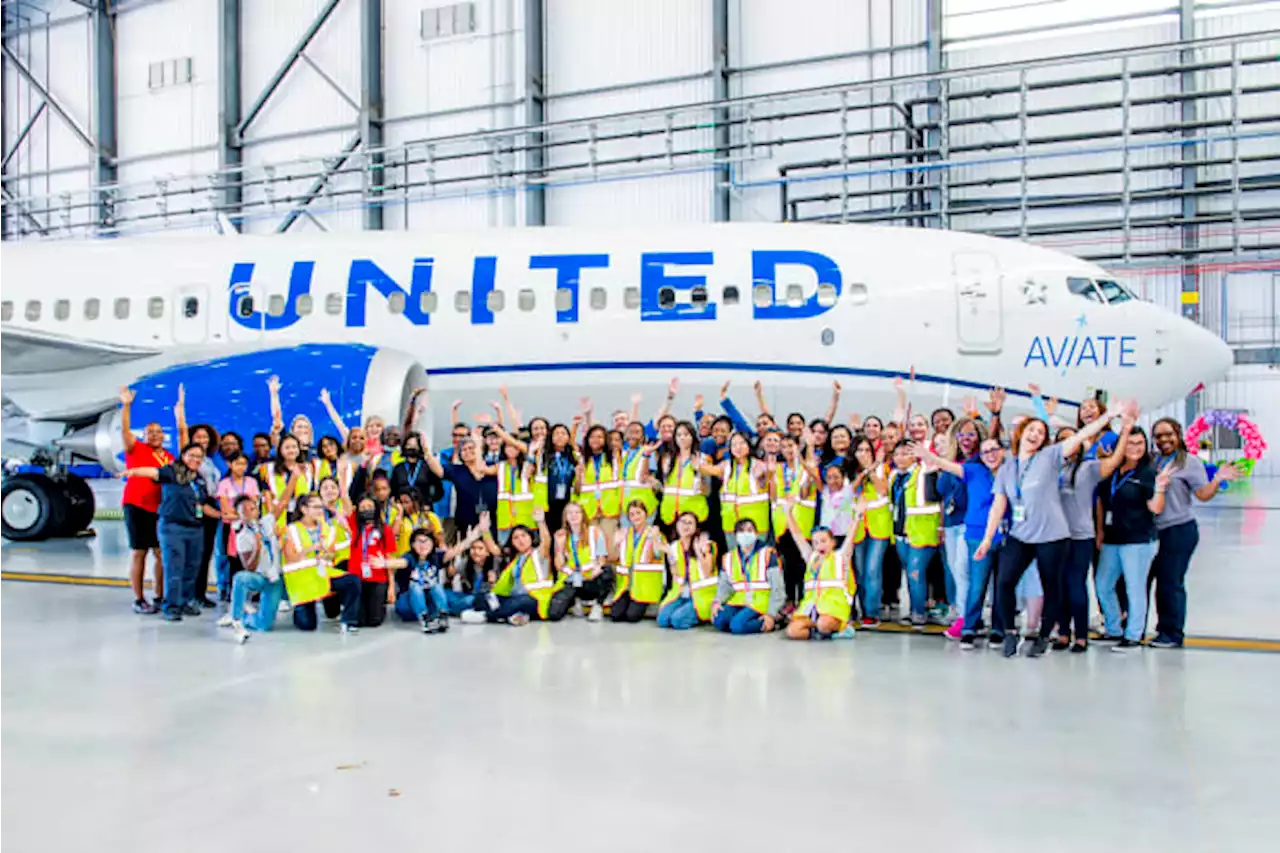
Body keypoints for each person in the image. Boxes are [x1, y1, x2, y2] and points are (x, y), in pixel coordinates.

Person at [974, 410, 1115, 657]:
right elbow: (999, 505)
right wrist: (987, 539)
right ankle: (1009, 633)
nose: (1035, 435)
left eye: (1041, 432)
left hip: (1053, 536)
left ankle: (1043, 636)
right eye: (1031, 430)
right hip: (1021, 535)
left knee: (1052, 585)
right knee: (1005, 583)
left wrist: (1110, 415)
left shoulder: (1050, 457)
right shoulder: (1007, 468)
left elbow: (1081, 435)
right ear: (1021, 434)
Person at [1147, 417, 1240, 648]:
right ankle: (1161, 629)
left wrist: (1217, 479)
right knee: (1158, 581)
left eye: (1168, 434)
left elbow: (1202, 495)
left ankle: (1172, 633)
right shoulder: (1154, 461)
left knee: (1171, 582)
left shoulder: (1189, 462)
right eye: (1158, 436)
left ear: (1178, 434)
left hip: (1179, 529)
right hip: (1157, 531)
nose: (1164, 439)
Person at [1053, 401, 1136, 651]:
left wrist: (1126, 431)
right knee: (1059, 585)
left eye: (1073, 439)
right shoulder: (1051, 467)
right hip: (1054, 535)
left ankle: (1080, 635)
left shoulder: (1089, 468)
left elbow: (1114, 461)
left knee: (1076, 584)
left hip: (1079, 535)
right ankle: (1063, 632)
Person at [121, 442, 219, 622]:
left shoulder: (198, 480)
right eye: (192, 455)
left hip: (195, 528)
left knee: (192, 567)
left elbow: (203, 505)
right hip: (173, 527)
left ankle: (185, 602)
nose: (195, 460)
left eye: (199, 457)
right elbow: (153, 472)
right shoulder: (172, 472)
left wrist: (222, 515)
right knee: (175, 567)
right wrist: (133, 472)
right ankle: (171, 606)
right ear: (183, 456)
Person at [1096, 426, 1171, 652]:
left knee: (1135, 587)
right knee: (1103, 585)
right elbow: (1100, 502)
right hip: (1112, 538)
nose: (1135, 449)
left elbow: (1156, 508)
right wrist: (1100, 531)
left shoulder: (1148, 473)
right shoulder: (1111, 470)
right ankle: (1113, 628)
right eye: (1130, 443)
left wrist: (1159, 489)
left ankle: (1134, 635)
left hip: (1138, 540)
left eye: (1140, 444)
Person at [118, 386, 170, 614]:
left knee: (160, 553)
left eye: (159, 432)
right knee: (139, 552)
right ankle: (139, 598)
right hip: (137, 505)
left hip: (158, 508)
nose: (155, 435)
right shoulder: (136, 449)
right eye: (150, 432)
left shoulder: (168, 456)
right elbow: (125, 431)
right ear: (144, 436)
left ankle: (159, 595)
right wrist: (126, 405)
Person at [284, 494, 362, 634]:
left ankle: (349, 621)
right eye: (315, 507)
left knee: (352, 581)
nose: (320, 510)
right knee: (308, 625)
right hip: (303, 580)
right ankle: (299, 610)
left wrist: (327, 554)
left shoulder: (327, 528)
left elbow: (332, 555)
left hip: (322, 575)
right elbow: (290, 558)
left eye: (321, 507)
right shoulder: (292, 529)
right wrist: (310, 549)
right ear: (304, 509)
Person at [783, 500, 860, 640]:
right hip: (812, 608)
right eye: (816, 542)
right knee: (792, 631)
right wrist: (788, 513)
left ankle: (838, 628)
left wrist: (858, 516)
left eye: (824, 541)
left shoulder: (840, 557)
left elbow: (850, 538)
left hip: (833, 608)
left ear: (833, 542)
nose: (819, 545)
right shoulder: (811, 557)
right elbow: (797, 535)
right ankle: (821, 634)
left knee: (823, 624)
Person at [889, 441, 940, 629]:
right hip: (901, 533)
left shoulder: (923, 472)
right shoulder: (894, 476)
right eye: (897, 454)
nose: (901, 457)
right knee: (910, 574)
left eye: (906, 453)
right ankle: (914, 610)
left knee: (915, 573)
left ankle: (919, 613)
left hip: (921, 534)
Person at [220, 494, 284, 643]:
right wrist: (258, 546)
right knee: (240, 578)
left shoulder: (267, 523)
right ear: (240, 515)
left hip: (276, 578)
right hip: (261, 577)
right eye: (245, 511)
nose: (250, 513)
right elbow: (250, 567)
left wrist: (294, 475)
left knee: (264, 625)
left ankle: (249, 618)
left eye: (253, 509)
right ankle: (237, 620)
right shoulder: (242, 536)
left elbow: (283, 503)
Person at [711, 517, 785, 634]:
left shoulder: (768, 554)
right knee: (718, 620)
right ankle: (747, 620)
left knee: (737, 626)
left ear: (756, 534)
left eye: (749, 530)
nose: (746, 534)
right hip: (740, 600)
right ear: (735, 535)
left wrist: (771, 613)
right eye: (741, 531)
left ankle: (774, 622)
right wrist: (717, 601)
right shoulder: (729, 557)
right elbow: (725, 586)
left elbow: (778, 588)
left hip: (761, 602)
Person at [482, 510, 555, 625]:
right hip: (512, 597)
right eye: (516, 538)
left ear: (531, 537)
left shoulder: (539, 554)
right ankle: (513, 615)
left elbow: (546, 541)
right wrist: (485, 530)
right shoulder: (515, 559)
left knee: (519, 603)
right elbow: (494, 549)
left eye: (523, 536)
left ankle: (487, 616)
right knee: (483, 598)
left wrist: (541, 522)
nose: (520, 540)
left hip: (534, 598)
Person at [547, 502, 612, 622]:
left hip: (590, 577)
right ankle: (575, 601)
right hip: (571, 579)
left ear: (583, 515)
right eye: (570, 513)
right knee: (554, 614)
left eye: (577, 512)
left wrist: (598, 567)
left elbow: (602, 558)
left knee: (607, 572)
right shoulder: (561, 535)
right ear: (565, 517)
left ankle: (598, 606)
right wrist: (560, 547)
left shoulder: (595, 532)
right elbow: (558, 564)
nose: (574, 515)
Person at [849, 437, 890, 627]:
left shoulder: (882, 468)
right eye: (859, 450)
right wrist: (863, 470)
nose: (863, 454)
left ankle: (872, 611)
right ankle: (861, 608)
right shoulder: (849, 470)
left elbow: (882, 490)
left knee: (872, 569)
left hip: (879, 525)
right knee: (859, 570)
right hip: (857, 527)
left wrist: (871, 469)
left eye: (867, 450)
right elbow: (849, 492)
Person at [656, 512, 718, 630]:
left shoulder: (706, 544)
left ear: (696, 527)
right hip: (681, 594)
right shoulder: (675, 546)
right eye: (683, 522)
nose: (686, 526)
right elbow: (675, 574)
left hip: (701, 596)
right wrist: (670, 554)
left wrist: (699, 552)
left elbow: (707, 572)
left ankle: (699, 616)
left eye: (690, 523)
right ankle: (684, 609)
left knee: (677, 621)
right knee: (662, 620)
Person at [610, 500, 667, 623]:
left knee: (632, 616)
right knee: (615, 615)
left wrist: (656, 540)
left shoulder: (655, 533)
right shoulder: (625, 533)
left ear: (646, 514)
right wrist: (615, 542)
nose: (635, 517)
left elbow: (658, 555)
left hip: (645, 588)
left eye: (638, 513)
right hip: (627, 586)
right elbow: (614, 558)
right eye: (632, 514)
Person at [346, 494, 398, 628]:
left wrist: (391, 587)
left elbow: (389, 558)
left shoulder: (385, 529)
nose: (366, 510)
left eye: (369, 506)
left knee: (375, 621)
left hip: (378, 579)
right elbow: (346, 500)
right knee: (360, 621)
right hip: (357, 579)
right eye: (362, 507)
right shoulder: (354, 526)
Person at [215, 451, 260, 599]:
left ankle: (252, 590)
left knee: (250, 557)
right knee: (232, 559)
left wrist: (242, 514)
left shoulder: (252, 482)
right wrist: (239, 514)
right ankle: (233, 591)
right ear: (230, 464)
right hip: (231, 527)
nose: (241, 467)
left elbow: (253, 505)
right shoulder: (224, 483)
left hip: (250, 526)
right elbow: (225, 510)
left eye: (244, 464)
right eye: (238, 464)